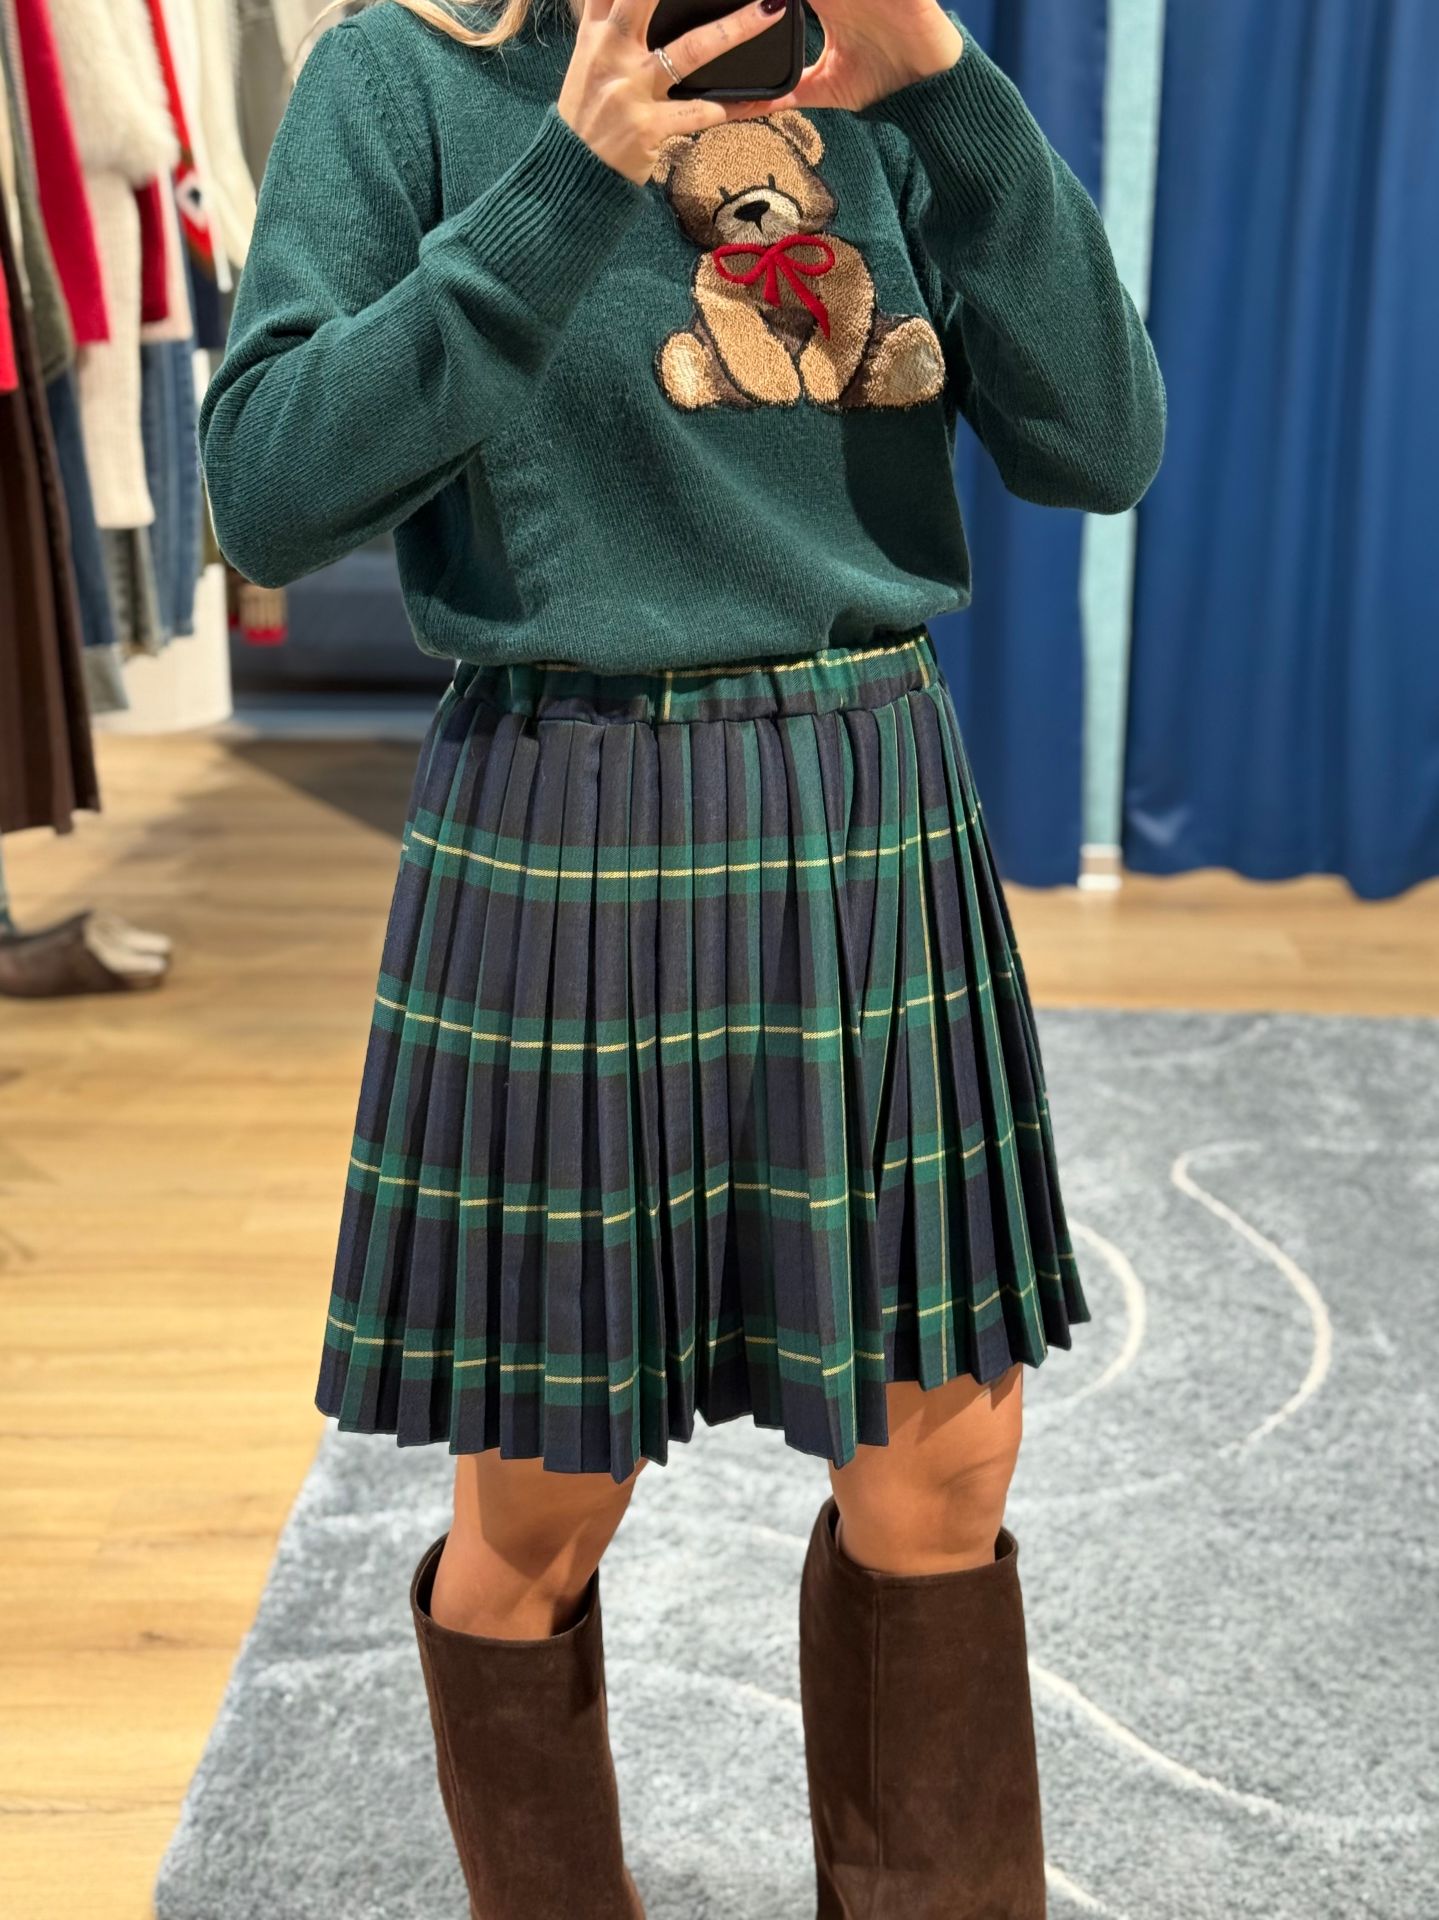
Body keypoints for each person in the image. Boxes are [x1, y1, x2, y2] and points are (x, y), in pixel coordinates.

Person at [198, 0, 1165, 1912]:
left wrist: (951, 93)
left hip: (870, 798)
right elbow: (270, 493)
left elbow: (1103, 442)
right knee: (544, 1508)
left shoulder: (879, 61)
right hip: (569, 808)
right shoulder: (409, 74)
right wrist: (567, 179)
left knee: (943, 1475)